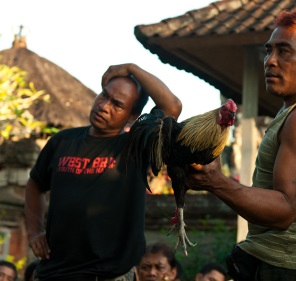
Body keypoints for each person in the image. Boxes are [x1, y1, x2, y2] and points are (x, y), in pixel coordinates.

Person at [186, 9, 296, 280]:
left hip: (291, 269)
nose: (270, 61)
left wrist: (215, 180)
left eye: (284, 51)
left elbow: (285, 209)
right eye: (269, 51)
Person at [24, 63, 182, 281]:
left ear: (132, 115)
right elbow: (35, 184)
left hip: (109, 274)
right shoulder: (62, 141)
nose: (104, 106)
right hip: (55, 271)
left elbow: (172, 107)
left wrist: (131, 68)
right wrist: (34, 232)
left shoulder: (135, 146)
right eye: (104, 95)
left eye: (117, 104)